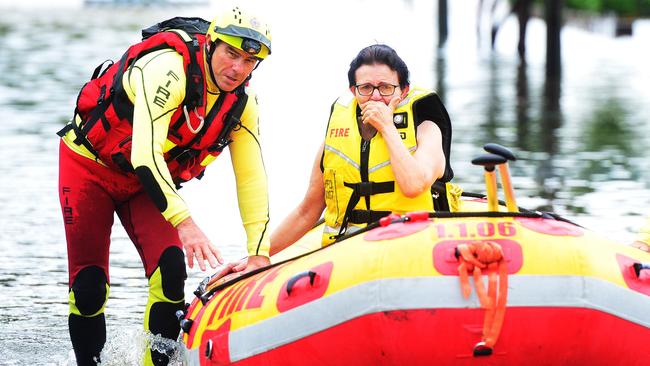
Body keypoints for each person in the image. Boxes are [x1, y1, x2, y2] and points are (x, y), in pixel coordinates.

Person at [57, 8, 272, 366]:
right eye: (231, 54)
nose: (237, 69)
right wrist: (185, 223)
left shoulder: (243, 105)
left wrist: (259, 252)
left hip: (144, 185)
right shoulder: (166, 69)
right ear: (211, 44)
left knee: (172, 270)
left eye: (249, 60)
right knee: (89, 287)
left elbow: (251, 177)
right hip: (88, 167)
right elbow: (145, 154)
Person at [266, 44, 455, 256]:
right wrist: (258, 255)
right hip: (346, 253)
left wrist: (387, 127)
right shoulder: (336, 135)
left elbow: (413, 185)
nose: (375, 97)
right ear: (353, 91)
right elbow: (307, 210)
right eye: (365, 88)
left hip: (410, 247)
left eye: (385, 88)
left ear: (403, 91)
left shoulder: (427, 128)